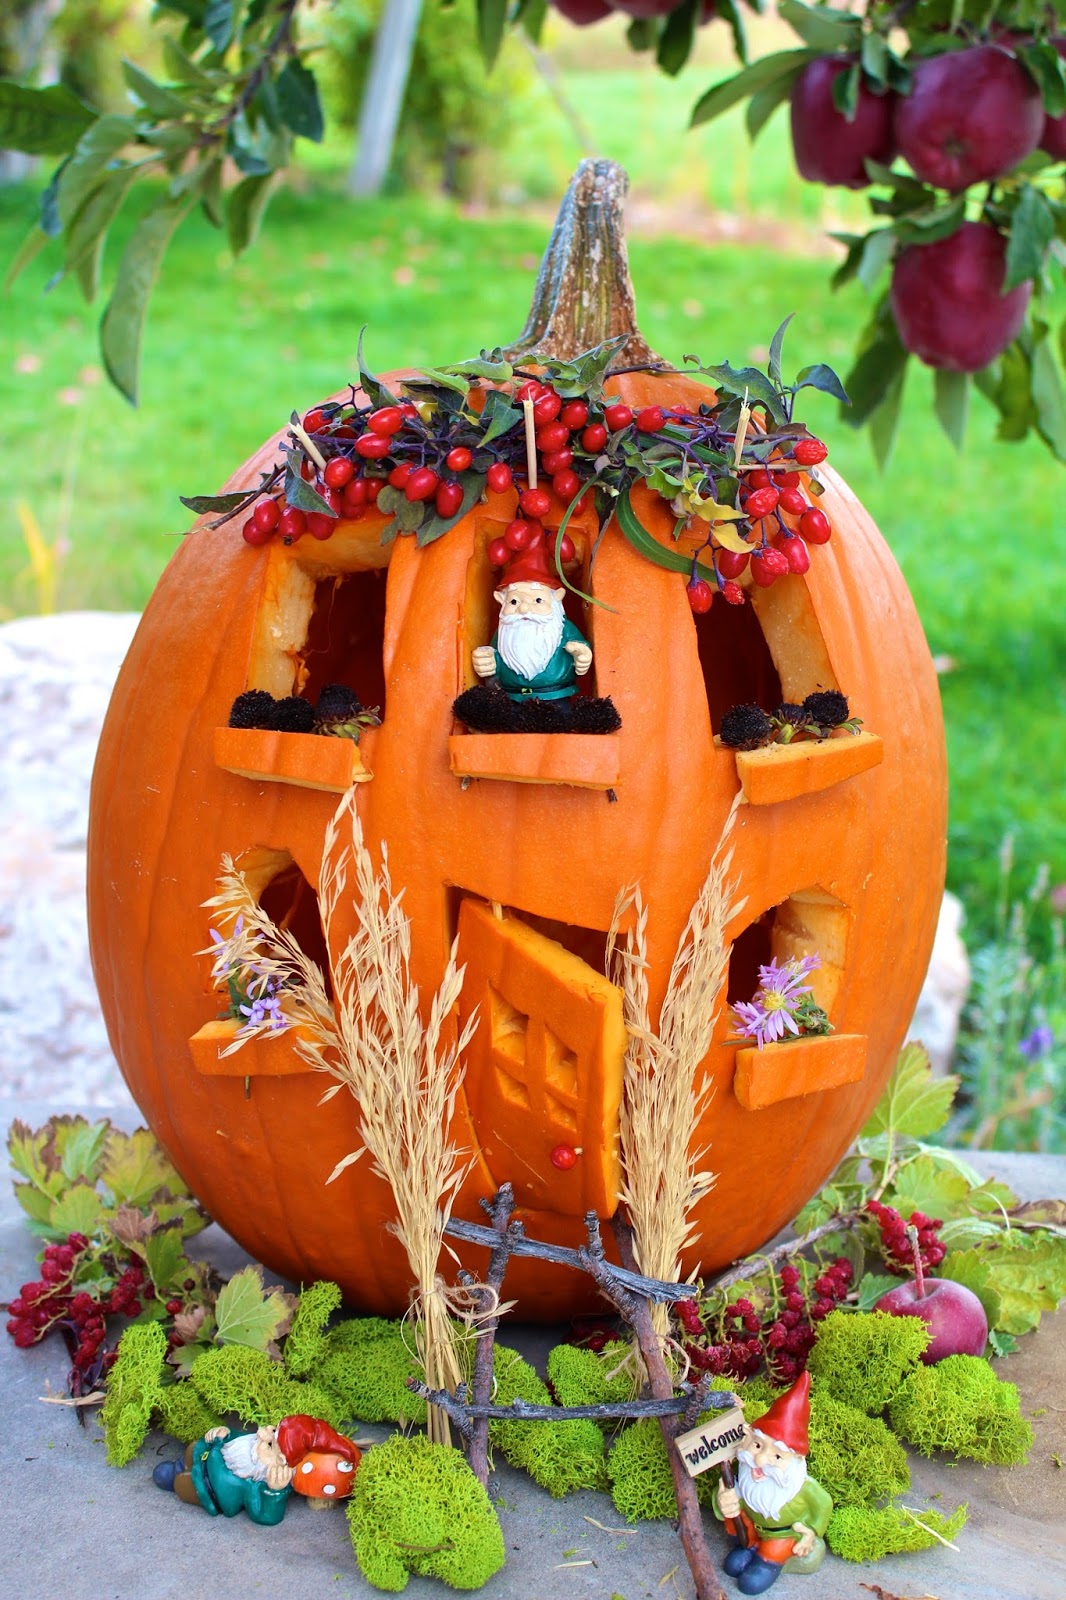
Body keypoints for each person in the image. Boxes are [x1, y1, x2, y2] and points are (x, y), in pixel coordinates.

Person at [713, 1372, 832, 1595]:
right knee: (732, 1565)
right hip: (750, 1531)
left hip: (780, 1537)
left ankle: (767, 1561)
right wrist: (723, 1497)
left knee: (750, 1582)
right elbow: (731, 1492)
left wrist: (810, 1533)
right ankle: (750, 1548)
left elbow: (824, 1505)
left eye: (777, 1457)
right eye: (758, 1446)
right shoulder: (746, 1470)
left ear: (795, 1461)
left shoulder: (803, 1488)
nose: (759, 1460)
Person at [471, 542, 593, 704]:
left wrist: (583, 653)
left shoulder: (562, 628)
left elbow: (580, 646)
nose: (524, 608)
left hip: (555, 697)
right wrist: (488, 660)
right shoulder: (505, 631)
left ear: (557, 598)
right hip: (512, 699)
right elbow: (495, 657)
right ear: (501, 601)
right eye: (513, 601)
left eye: (537, 600)